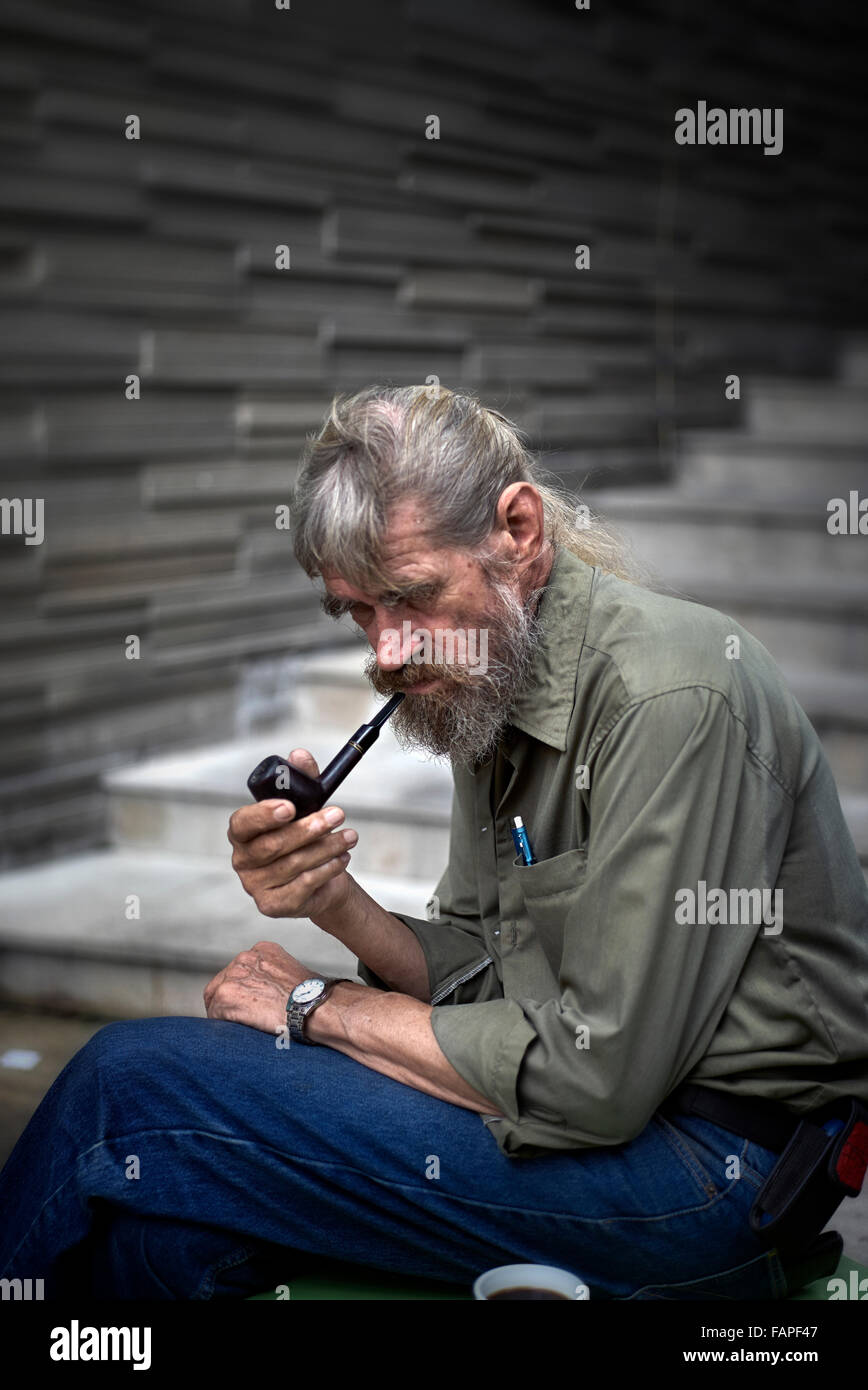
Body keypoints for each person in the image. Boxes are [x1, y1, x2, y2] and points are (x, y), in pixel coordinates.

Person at [1, 384, 866, 1300]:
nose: (390, 648)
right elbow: (487, 972)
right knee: (158, 1243)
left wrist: (314, 1006)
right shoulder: (488, 678)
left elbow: (594, 1076)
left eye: (411, 595)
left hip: (705, 1173)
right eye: (360, 613)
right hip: (622, 1136)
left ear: (519, 530)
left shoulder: (672, 696)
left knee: (125, 1083)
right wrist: (331, 899)